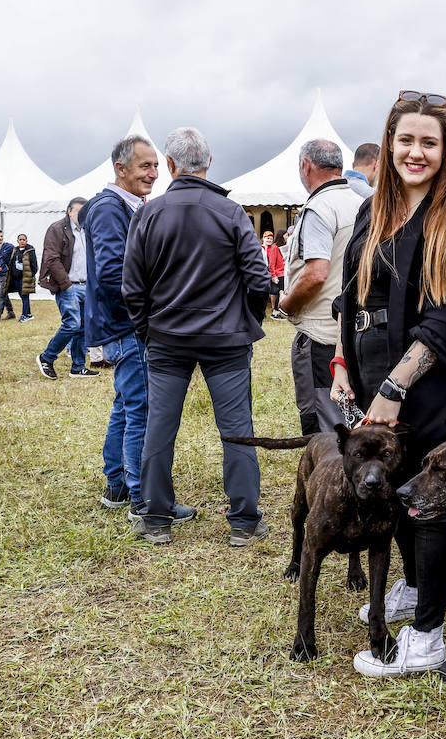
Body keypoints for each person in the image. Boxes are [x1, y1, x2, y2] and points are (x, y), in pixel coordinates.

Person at [331, 91, 446, 676]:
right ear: (389, 143)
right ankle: (413, 589)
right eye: (406, 139)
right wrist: (343, 363)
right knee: (393, 491)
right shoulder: (373, 208)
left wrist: (393, 390)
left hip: (426, 385)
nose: (415, 152)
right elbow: (350, 295)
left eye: (429, 142)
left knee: (427, 501)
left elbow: (444, 318)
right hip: (370, 379)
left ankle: (428, 636)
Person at [123, 127, 272, 546]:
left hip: (168, 339)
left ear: (170, 165)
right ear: (208, 163)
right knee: (237, 428)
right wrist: (246, 319)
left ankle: (155, 519)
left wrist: (147, 331)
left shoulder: (149, 214)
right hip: (225, 339)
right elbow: (259, 278)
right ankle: (243, 521)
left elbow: (131, 286)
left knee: (159, 428)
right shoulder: (230, 212)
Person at [82, 135, 158, 512]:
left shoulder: (122, 206)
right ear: (121, 168)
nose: (154, 173)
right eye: (145, 166)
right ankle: (142, 497)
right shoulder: (112, 208)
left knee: (125, 405)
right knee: (139, 409)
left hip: (121, 323)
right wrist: (152, 305)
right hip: (128, 324)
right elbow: (115, 273)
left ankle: (116, 485)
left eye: (156, 166)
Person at [279, 139, 363, 435]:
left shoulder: (319, 207)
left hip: (323, 338)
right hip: (357, 336)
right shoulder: (362, 203)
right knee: (355, 423)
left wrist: (286, 303)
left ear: (306, 165)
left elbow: (316, 273)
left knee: (326, 432)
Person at [36, 198, 97, 379]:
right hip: (68, 285)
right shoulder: (57, 229)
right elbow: (51, 259)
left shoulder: (88, 230)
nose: (83, 215)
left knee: (84, 327)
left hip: (87, 285)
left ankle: (78, 367)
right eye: (79, 211)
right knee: (72, 324)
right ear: (70, 211)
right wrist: (66, 284)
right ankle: (46, 357)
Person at [9, 233, 37, 322]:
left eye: (23, 239)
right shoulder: (15, 250)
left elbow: (34, 265)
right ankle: (29, 314)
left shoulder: (30, 250)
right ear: (17, 241)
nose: (22, 241)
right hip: (16, 278)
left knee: (25, 296)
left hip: (25, 278)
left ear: (26, 241)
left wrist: (31, 275)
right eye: (20, 239)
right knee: (23, 296)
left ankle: (24, 315)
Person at [261, 231, 285, 318]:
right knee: (264, 291)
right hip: (264, 271)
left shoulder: (273, 248)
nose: (269, 240)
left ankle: (274, 309)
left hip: (272, 271)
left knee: (274, 291)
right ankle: (265, 311)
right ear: (263, 238)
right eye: (267, 238)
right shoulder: (261, 248)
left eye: (271, 239)